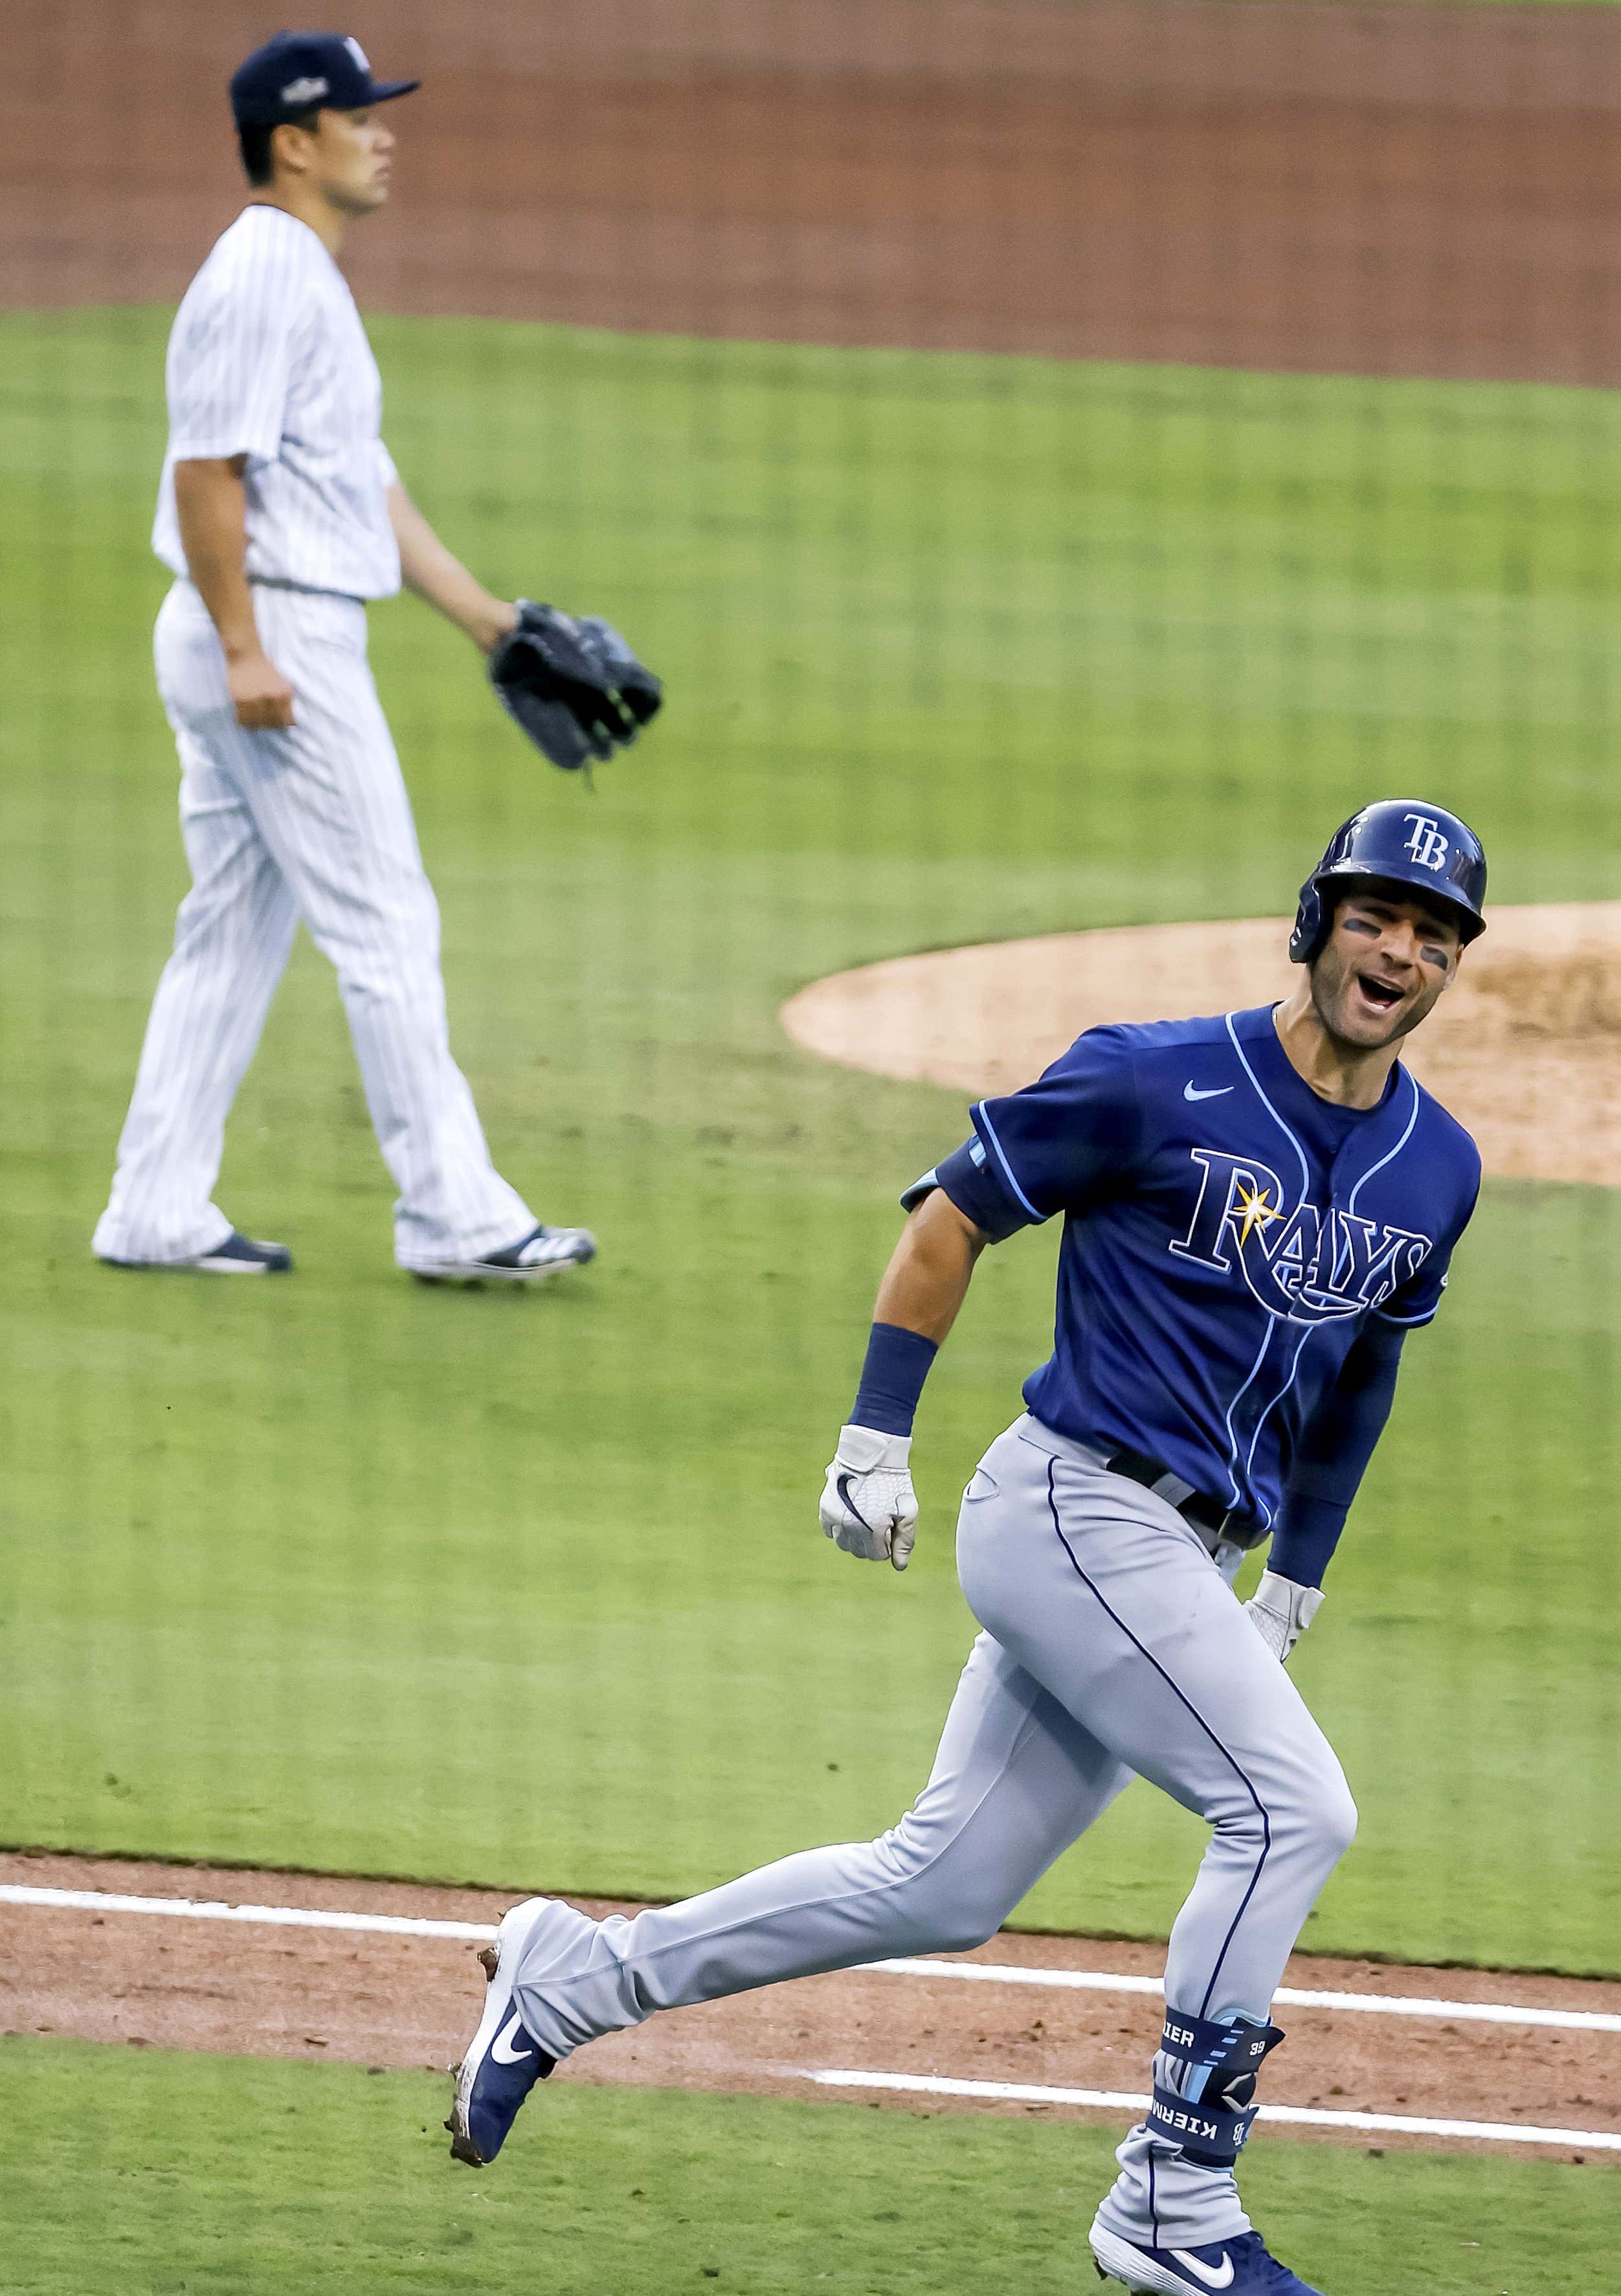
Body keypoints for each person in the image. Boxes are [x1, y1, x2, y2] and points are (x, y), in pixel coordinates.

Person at [448, 800, 1490, 2296]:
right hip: (1069, 1505)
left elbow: (1363, 1383)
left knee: (937, 1886)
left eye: (1433, 934)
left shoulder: (1433, 1167)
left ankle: (569, 1981)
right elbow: (952, 1215)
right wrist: (874, 1438)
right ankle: (1174, 2205)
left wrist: (1295, 1584)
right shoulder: (1155, 1073)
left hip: (1178, 1562)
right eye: (1377, 914)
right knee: (1289, 1811)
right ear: (1316, 917)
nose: (1399, 951)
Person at [93, 32, 594, 1285]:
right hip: (271, 637)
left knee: (231, 929)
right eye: (360, 116)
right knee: (385, 926)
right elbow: (206, 468)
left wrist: (490, 619)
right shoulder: (263, 273)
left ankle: (153, 1205)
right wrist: (248, 647)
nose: (385, 133)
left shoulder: (304, 275)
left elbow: (356, 484)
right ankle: (455, 1217)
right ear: (294, 141)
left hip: (267, 628)